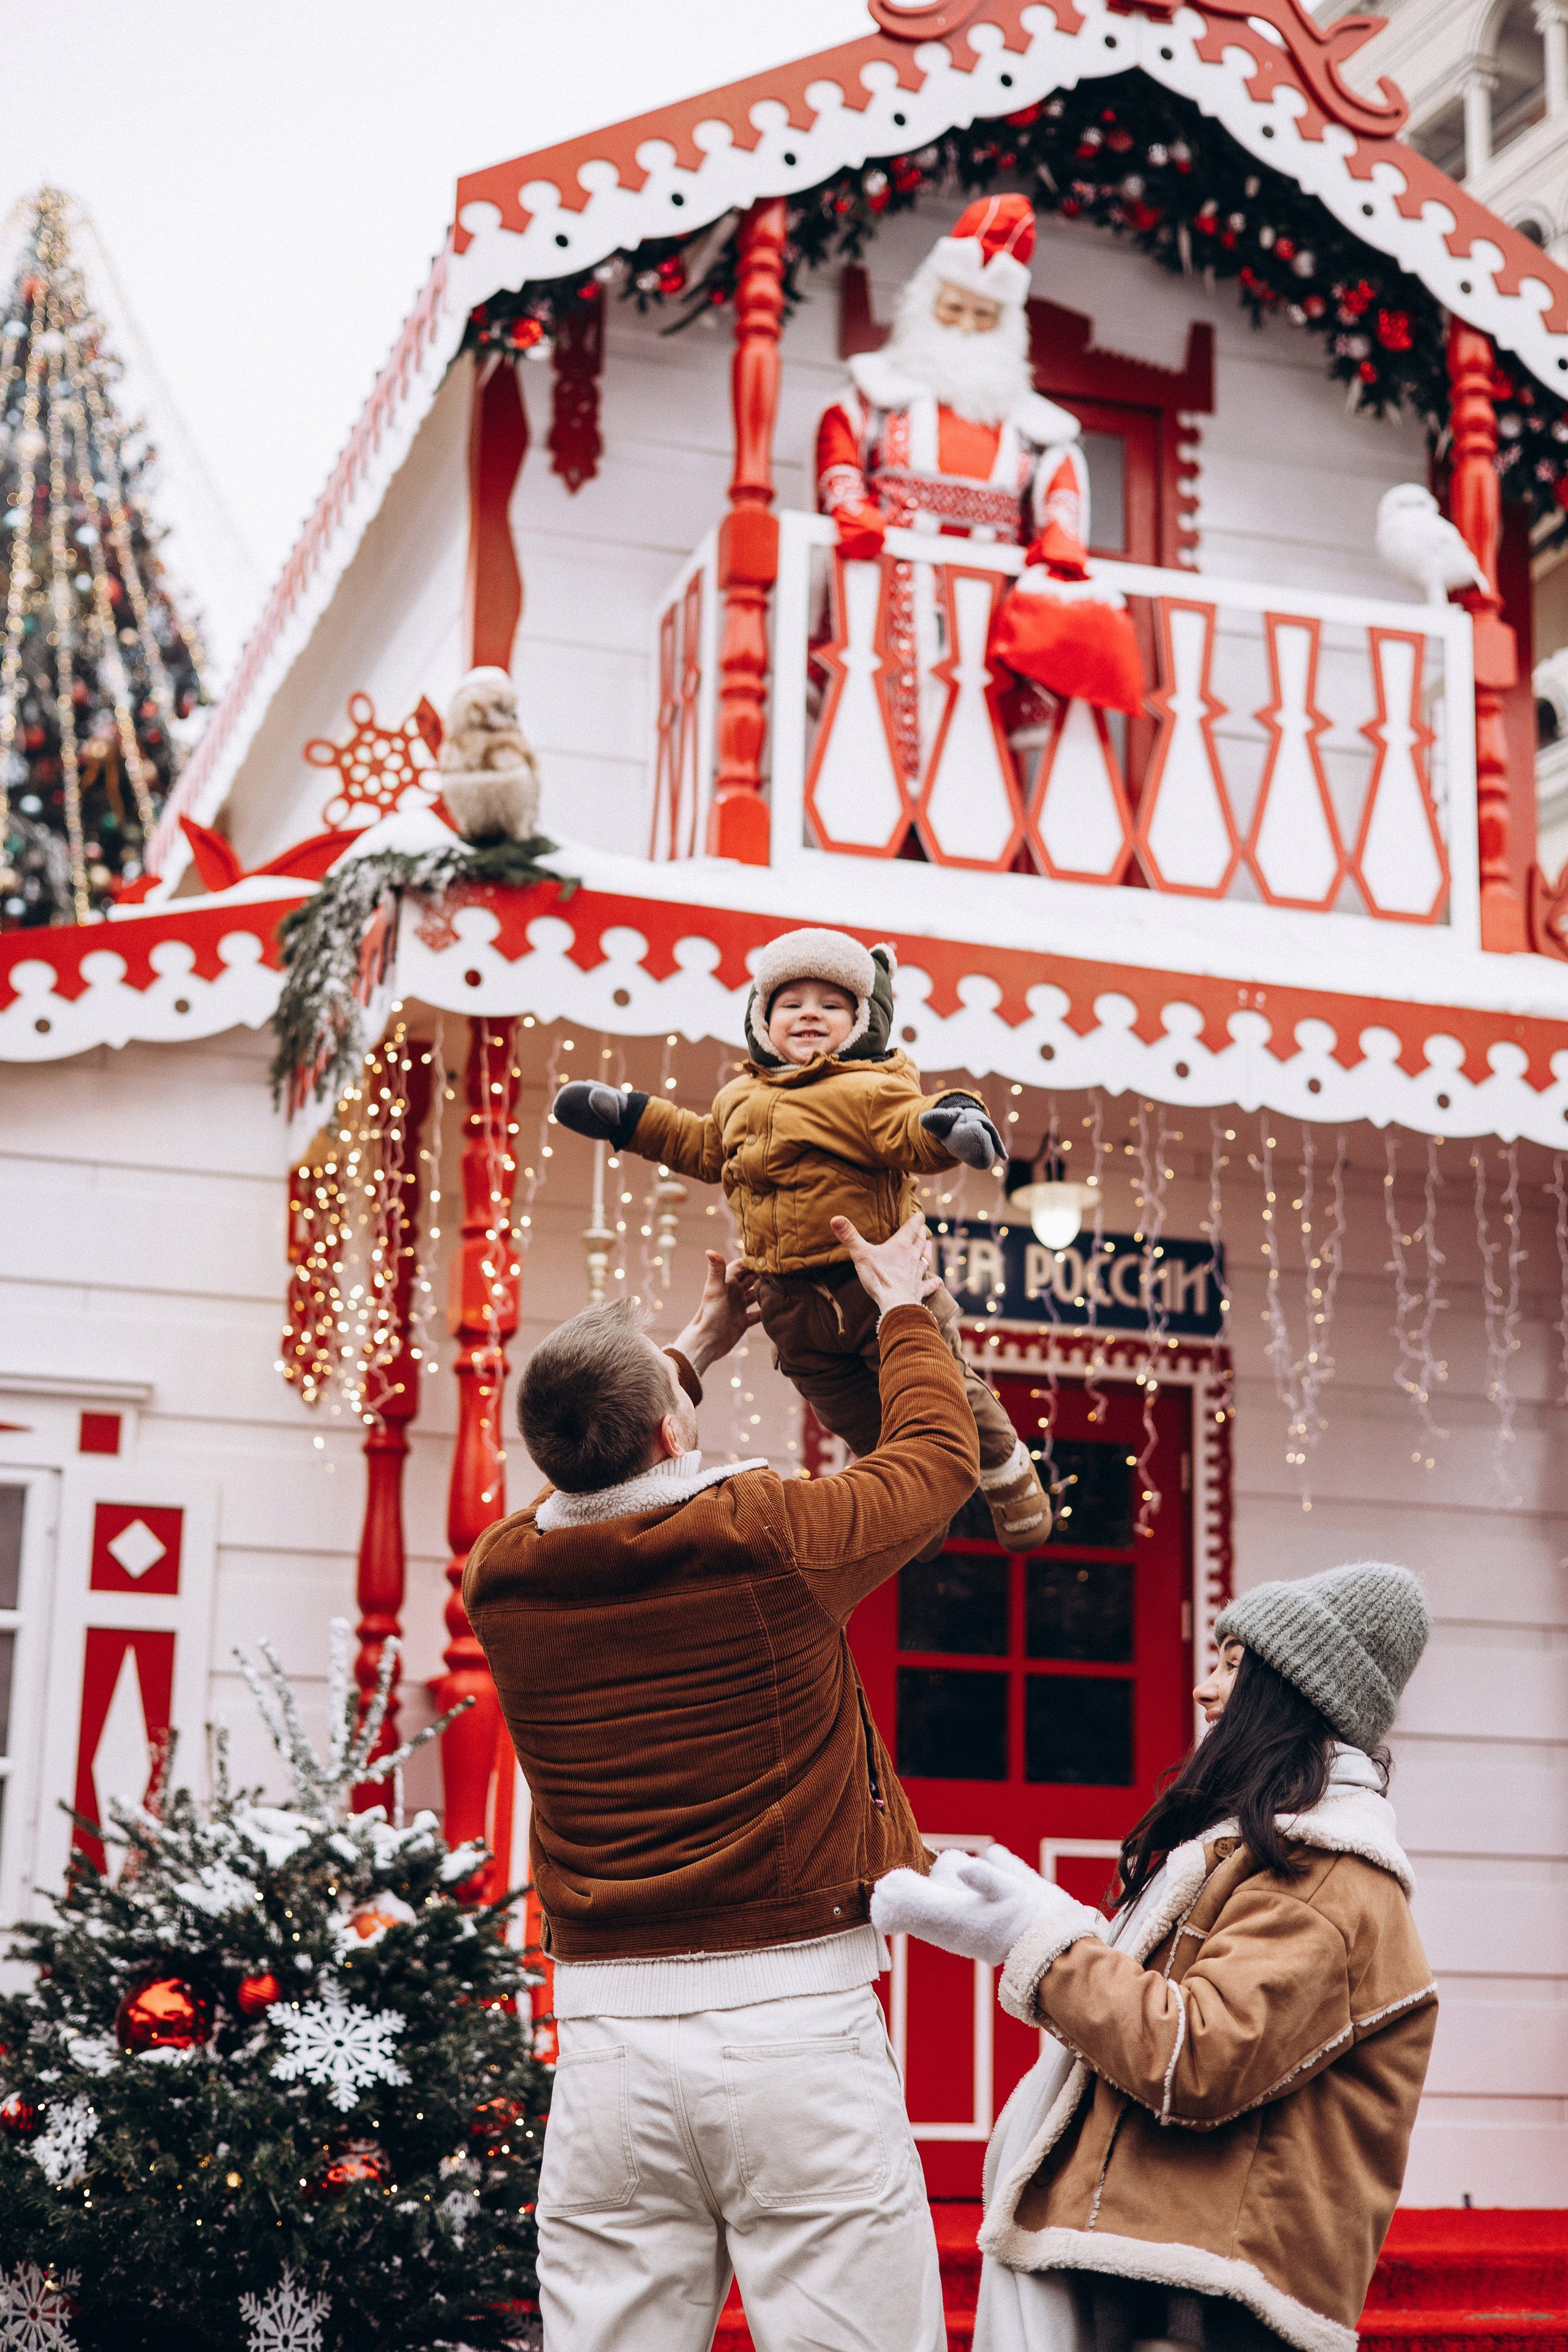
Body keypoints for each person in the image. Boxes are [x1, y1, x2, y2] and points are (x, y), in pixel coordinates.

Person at [463, 1213, 978, 2352]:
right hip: (795, 2028)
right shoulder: (767, 1536)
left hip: (606, 2046)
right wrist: (901, 1306)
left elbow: (591, 1476)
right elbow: (938, 1465)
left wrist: (690, 1349)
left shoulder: (499, 1577)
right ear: (670, 1430)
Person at [872, 1562, 1437, 2352]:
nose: (1205, 1690)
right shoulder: (1262, 1852)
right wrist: (1051, 1925)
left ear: (1295, 1695)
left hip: (1209, 2308)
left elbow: (1197, 2055)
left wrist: (1039, 1940)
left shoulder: (1327, 1875)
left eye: (1233, 1668)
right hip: (1168, 2281)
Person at [551, 923, 1051, 1550]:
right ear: (761, 1019)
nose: (809, 1015)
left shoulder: (869, 1088)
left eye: (831, 1005)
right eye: (791, 1003)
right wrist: (626, 1118)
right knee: (853, 1416)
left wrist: (954, 1122)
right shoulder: (737, 1098)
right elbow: (698, 1145)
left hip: (874, 1288)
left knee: (945, 1387)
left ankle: (1008, 1475)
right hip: (790, 1306)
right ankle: (915, 1510)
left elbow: (910, 1127)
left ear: (863, 1021)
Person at [816, 188, 1145, 758]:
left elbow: (1061, 478)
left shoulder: (1032, 424)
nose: (967, 326)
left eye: (983, 315)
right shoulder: (879, 393)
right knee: (876, 714)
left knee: (974, 726)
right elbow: (840, 442)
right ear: (927, 306)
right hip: (891, 580)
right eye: (954, 309)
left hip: (990, 593)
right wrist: (849, 504)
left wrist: (1060, 534)